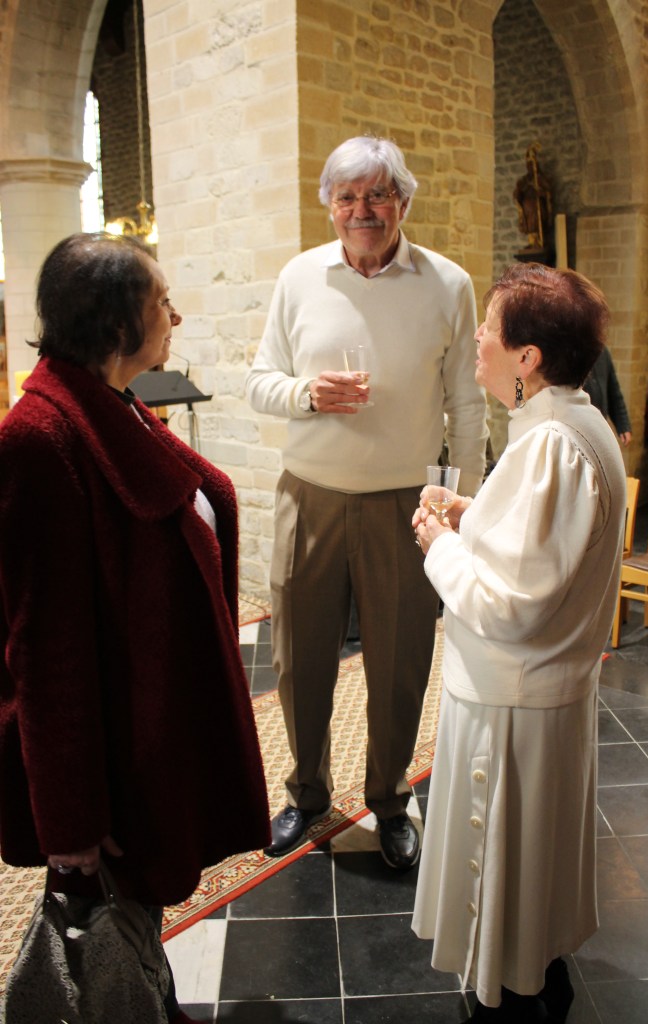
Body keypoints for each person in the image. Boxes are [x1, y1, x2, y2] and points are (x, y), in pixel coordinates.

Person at [0, 233, 271, 1024]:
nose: (175, 317)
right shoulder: (39, 438)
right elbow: (44, 650)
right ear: (117, 319)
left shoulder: (110, 401)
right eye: (162, 303)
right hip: (105, 748)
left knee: (139, 907)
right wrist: (71, 824)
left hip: (147, 725)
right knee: (105, 920)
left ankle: (152, 1000)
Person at [246, 136, 488, 870]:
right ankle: (307, 792)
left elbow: (467, 404)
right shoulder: (299, 277)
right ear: (329, 206)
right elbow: (259, 381)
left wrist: (461, 503)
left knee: (399, 661)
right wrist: (306, 393)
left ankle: (388, 799)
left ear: (402, 202)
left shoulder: (447, 284)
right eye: (347, 197)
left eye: (377, 194)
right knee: (300, 659)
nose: (362, 210)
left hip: (404, 505)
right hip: (309, 497)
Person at [411, 263, 626, 1022]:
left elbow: (509, 606)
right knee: (532, 877)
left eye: (490, 325)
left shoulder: (550, 447)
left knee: (501, 877)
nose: (477, 336)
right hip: (539, 695)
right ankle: (538, 973)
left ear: (526, 357)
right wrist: (474, 514)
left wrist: (438, 543)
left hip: (512, 706)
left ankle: (508, 1000)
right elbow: (538, 548)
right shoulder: (573, 423)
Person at [583, 346, 632, 445]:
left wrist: (623, 425)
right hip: (580, 426)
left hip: (600, 425)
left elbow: (613, 390)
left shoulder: (602, 352)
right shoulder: (569, 351)